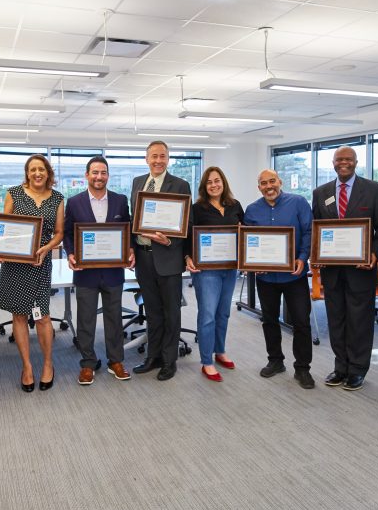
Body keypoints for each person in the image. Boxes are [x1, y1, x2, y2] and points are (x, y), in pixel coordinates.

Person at [311, 147, 378, 391]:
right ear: (333, 163)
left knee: (360, 321)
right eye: (339, 160)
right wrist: (317, 254)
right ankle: (340, 366)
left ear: (356, 162)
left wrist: (374, 254)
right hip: (333, 271)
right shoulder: (321, 192)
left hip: (361, 269)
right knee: (336, 320)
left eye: (348, 159)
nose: (343, 163)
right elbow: (317, 227)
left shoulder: (374, 190)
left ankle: (357, 369)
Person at [0, 155, 65, 392]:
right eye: (33, 169)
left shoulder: (57, 198)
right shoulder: (13, 193)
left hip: (40, 262)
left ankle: (47, 364)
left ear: (48, 172)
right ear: (27, 173)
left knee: (43, 316)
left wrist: (46, 248)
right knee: (19, 316)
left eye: (41, 169)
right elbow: (4, 226)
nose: (37, 173)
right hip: (16, 264)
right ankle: (26, 366)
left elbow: (58, 232)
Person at [63, 156, 134, 386]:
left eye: (103, 173)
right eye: (95, 172)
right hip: (86, 272)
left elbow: (128, 230)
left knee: (114, 318)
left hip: (113, 271)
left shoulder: (120, 201)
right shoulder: (74, 203)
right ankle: (88, 363)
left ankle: (116, 361)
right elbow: (67, 233)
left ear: (108, 176)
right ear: (87, 175)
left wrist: (130, 250)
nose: (99, 177)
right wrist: (71, 253)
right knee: (86, 320)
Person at [244, 169, 315, 388]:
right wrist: (253, 264)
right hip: (266, 279)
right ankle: (275, 361)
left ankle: (303, 368)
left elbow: (308, 232)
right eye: (263, 183)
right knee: (269, 320)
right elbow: (247, 241)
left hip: (295, 276)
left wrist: (303, 258)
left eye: (272, 181)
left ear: (280, 182)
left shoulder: (298, 203)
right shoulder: (252, 210)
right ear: (259, 187)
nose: (268, 186)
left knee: (301, 322)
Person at [130, 141, 191, 381]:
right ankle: (153, 357)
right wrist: (131, 249)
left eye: (162, 156)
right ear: (146, 159)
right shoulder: (137, 183)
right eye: (154, 156)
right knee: (153, 312)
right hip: (144, 260)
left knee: (171, 312)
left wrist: (171, 242)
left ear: (168, 159)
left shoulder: (180, 185)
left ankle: (169, 360)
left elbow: (187, 224)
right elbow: (133, 218)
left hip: (168, 258)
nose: (158, 160)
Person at [185, 166, 243, 382]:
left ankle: (220, 350)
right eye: (209, 182)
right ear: (204, 186)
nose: (214, 185)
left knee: (223, 313)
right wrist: (188, 257)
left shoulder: (234, 205)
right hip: (206, 270)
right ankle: (206, 361)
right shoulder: (197, 208)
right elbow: (186, 236)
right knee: (208, 315)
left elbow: (244, 232)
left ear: (223, 182)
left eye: (217, 180)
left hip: (229, 268)